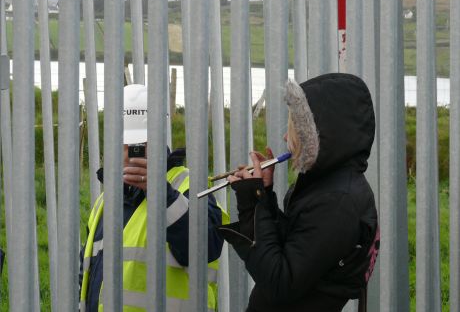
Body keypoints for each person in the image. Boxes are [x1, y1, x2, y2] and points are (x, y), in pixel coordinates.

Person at [219, 73, 379, 312]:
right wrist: (264, 195)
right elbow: (293, 246)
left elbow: (279, 283)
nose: (286, 137)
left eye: (297, 128)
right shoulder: (329, 187)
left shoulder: (338, 202)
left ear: (322, 134)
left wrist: (253, 202)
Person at [79, 84, 227, 312]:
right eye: (125, 144)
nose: (132, 153)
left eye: (140, 145)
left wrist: (161, 194)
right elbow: (88, 274)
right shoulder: (105, 201)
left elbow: (205, 248)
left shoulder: (187, 184)